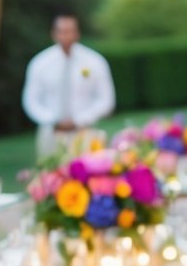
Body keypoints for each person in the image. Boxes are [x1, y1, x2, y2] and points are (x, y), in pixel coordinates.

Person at [22, 14, 116, 158]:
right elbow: (31, 101)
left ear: (77, 33)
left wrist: (80, 119)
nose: (66, 36)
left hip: (85, 131)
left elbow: (106, 99)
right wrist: (52, 120)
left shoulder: (95, 61)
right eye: (62, 31)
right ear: (54, 34)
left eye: (70, 31)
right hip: (50, 133)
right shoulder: (40, 63)